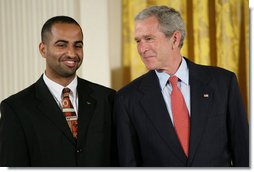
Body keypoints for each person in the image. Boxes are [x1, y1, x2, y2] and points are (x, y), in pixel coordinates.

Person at [114, 5, 249, 167]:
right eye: (138, 41)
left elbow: (244, 152)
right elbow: (129, 164)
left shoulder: (223, 82)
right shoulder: (127, 98)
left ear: (175, 39)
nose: (141, 49)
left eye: (149, 39)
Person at [0, 16, 117, 167]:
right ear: (43, 49)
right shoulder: (16, 108)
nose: (72, 53)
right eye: (61, 45)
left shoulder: (108, 98)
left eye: (78, 45)